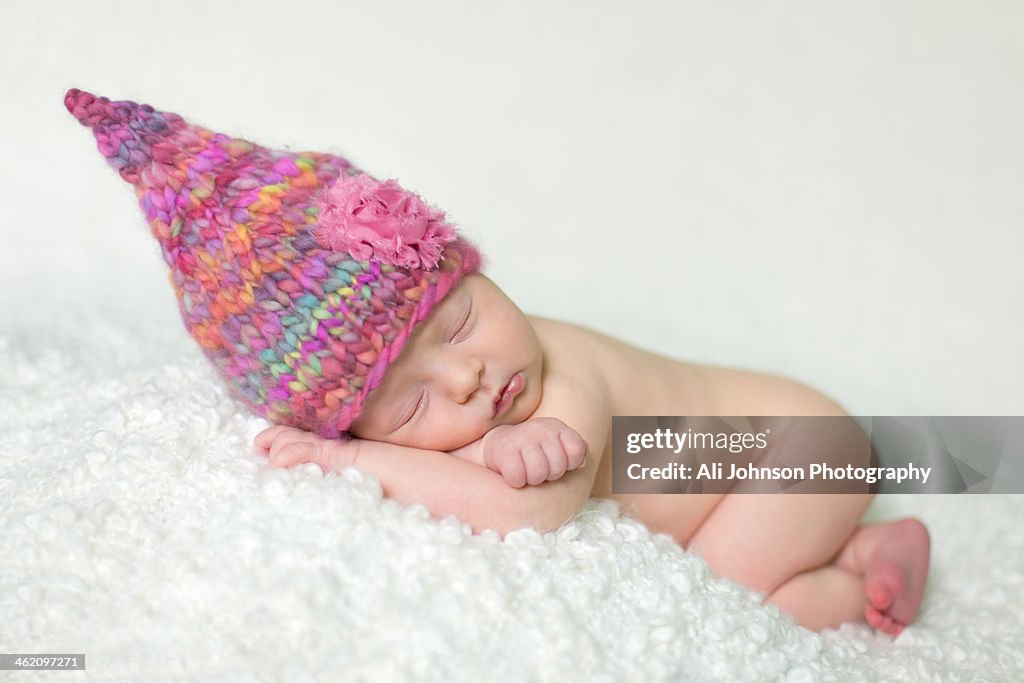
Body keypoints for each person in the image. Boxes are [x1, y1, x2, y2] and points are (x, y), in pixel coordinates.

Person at [65, 87, 929, 636]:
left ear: (468, 271)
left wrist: (359, 458)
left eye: (462, 322)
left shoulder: (562, 380)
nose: (467, 379)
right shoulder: (475, 391)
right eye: (407, 410)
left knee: (738, 604)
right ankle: (868, 546)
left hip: (793, 452)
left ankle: (847, 585)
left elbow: (531, 513)